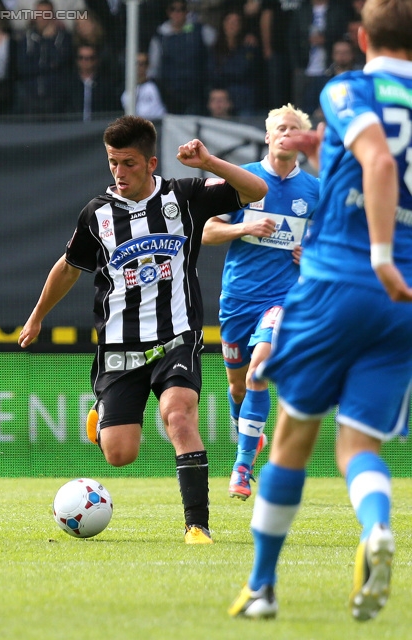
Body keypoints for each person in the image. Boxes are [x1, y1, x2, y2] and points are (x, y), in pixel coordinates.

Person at [229, 0, 412, 621]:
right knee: (358, 441)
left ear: (361, 37)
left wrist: (380, 252)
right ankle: (377, 526)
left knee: (294, 435)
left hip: (338, 282)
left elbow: (380, 160)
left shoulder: (348, 87)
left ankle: (261, 587)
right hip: (402, 302)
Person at [18, 115, 269, 544]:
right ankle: (102, 423)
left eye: (128, 163)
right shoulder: (96, 214)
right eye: (113, 162)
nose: (119, 172)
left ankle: (197, 526)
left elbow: (256, 190)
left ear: (151, 163)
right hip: (119, 347)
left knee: (179, 416)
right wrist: (37, 315)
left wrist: (208, 162)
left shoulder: (184, 197)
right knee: (120, 454)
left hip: (177, 336)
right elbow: (69, 268)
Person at [202, 103, 319, 501]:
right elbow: (206, 231)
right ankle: (250, 438)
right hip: (238, 298)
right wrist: (245, 226)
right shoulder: (245, 180)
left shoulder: (315, 192)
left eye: (293, 129)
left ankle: (241, 468)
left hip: (284, 299)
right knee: (238, 385)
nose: (286, 133)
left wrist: (315, 256)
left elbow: (336, 244)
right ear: (268, 137)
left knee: (259, 371)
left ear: (302, 142)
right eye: (279, 128)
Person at [147, 0, 212, 115]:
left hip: (196, 94)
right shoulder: (159, 36)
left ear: (187, 12)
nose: (177, 13)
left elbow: (218, 42)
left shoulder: (200, 30)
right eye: (173, 9)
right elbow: (154, 68)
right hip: (170, 96)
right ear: (168, 12)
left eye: (181, 9)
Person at [15, 0, 74, 115]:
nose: (42, 18)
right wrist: (49, 66)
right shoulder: (25, 40)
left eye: (46, 14)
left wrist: (48, 40)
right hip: (30, 97)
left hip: (56, 98)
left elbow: (61, 63)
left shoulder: (64, 39)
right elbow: (23, 68)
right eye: (39, 13)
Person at [208, 9, 261, 116]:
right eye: (229, 21)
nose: (232, 25)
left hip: (243, 100)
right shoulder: (214, 49)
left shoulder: (248, 47)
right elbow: (211, 73)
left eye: (236, 22)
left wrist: (223, 73)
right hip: (221, 102)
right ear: (223, 24)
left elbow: (243, 71)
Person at [64, 44, 119, 119]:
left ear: (96, 60)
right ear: (77, 60)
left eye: (90, 58)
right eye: (81, 58)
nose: (85, 61)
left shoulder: (106, 85)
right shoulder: (67, 84)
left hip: (98, 128)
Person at [121, 51, 166, 119]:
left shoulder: (157, 87)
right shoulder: (124, 88)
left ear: (147, 66)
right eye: (136, 63)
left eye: (142, 64)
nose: (138, 67)